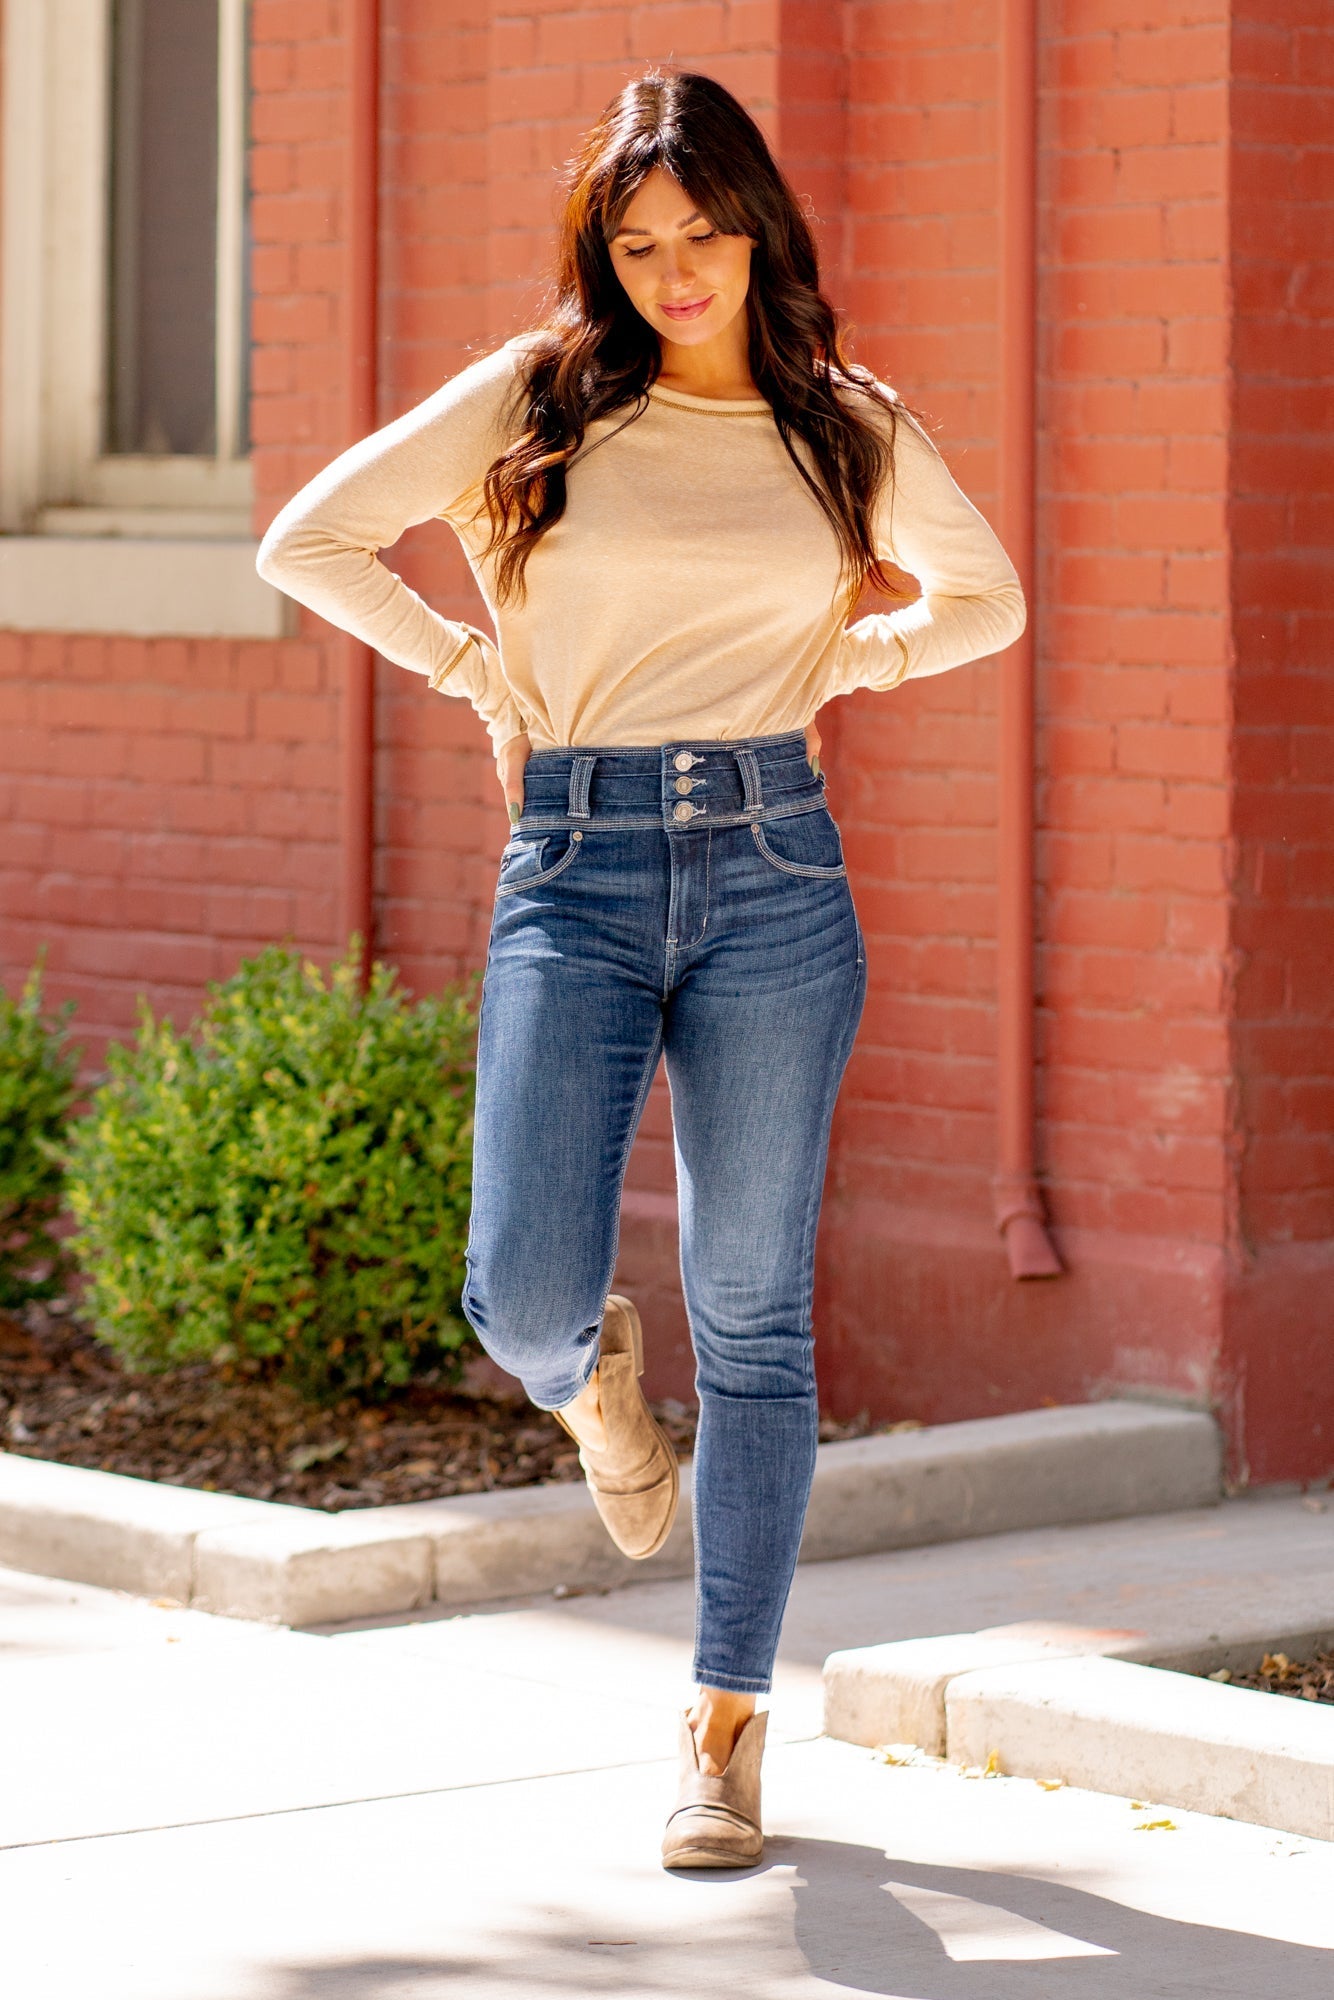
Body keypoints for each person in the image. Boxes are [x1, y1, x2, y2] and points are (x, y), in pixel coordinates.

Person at [257, 68, 1025, 1870]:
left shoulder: (844, 425)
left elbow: (985, 601)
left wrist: (843, 665)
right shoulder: (538, 397)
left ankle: (725, 1721)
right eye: (638, 245)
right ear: (601, 256)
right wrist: (476, 674)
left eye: (703, 236)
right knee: (522, 1295)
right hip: (576, 862)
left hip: (774, 871)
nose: (675, 273)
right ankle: (593, 1390)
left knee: (753, 1315)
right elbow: (310, 539)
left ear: (759, 232)